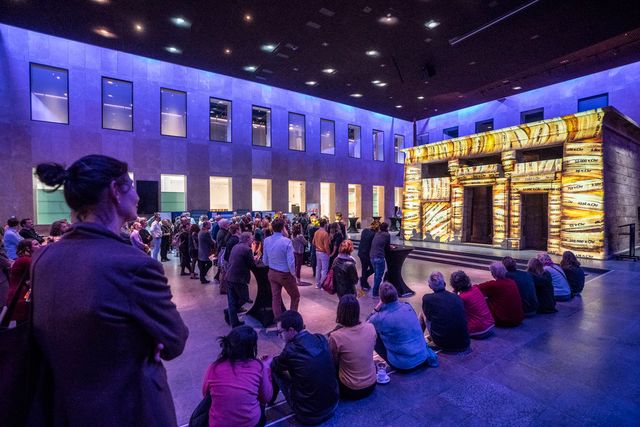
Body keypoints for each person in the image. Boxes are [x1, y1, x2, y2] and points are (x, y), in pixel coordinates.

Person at [31, 155, 188, 426]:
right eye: (132, 185)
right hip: (129, 409)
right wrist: (147, 338)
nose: (138, 196)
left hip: (64, 410)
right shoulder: (134, 265)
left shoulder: (43, 259)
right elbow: (175, 340)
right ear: (116, 191)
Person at [270, 310, 339, 425]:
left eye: (280, 332)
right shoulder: (320, 338)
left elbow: (275, 365)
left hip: (309, 414)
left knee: (275, 371)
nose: (279, 336)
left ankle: (270, 401)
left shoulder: (290, 350)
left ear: (291, 330)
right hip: (333, 404)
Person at [201, 325, 272, 427]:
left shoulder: (214, 367)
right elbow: (266, 397)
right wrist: (266, 368)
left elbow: (205, 394)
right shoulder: (258, 366)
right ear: (251, 348)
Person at [367, 282, 438, 370]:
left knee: (372, 333)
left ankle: (367, 364)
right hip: (422, 357)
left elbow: (366, 326)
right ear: (396, 294)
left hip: (403, 365)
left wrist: (377, 307)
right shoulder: (407, 306)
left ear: (382, 299)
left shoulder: (379, 318)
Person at [328, 295, 377, 400]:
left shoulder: (336, 336)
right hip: (372, 383)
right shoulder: (371, 327)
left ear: (340, 312)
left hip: (350, 389)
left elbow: (333, 361)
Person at [421, 271, 470, 353]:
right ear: (444, 283)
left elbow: (428, 318)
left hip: (444, 344)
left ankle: (419, 340)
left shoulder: (427, 298)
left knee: (422, 313)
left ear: (430, 286)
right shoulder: (457, 298)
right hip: (464, 342)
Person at [263, 218, 300, 320]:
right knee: (295, 296)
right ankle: (292, 322)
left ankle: (279, 323)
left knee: (276, 298)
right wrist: (293, 275)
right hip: (284, 274)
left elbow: (265, 260)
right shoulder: (287, 241)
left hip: (272, 273)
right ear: (283, 228)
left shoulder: (266, 240)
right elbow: (291, 262)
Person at [450, 270, 495, 339]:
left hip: (480, 331)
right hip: (491, 326)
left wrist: (454, 294)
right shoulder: (476, 289)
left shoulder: (461, 297)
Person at [477, 262, 524, 327]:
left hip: (504, 321)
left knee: (482, 300)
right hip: (518, 319)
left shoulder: (494, 285)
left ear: (493, 273)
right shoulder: (512, 282)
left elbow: (475, 289)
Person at [225, 232, 256, 327]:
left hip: (229, 276)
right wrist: (255, 260)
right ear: (247, 239)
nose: (252, 241)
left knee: (232, 300)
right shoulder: (247, 249)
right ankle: (229, 311)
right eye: (251, 239)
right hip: (239, 278)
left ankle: (233, 321)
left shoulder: (236, 246)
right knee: (244, 298)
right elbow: (252, 265)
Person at [5, 239, 39, 324]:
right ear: (27, 248)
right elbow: (41, 269)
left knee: (24, 324)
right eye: (36, 244)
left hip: (22, 293)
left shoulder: (23, 259)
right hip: (21, 295)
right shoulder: (25, 260)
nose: (39, 246)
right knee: (24, 324)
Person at [370, 222, 391, 298]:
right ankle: (375, 293)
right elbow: (387, 247)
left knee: (376, 274)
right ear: (386, 228)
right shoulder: (387, 235)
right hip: (379, 257)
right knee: (379, 276)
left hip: (372, 256)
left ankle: (376, 290)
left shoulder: (377, 233)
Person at [357, 221, 378, 291]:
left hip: (361, 252)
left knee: (364, 267)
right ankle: (363, 279)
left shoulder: (364, 230)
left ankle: (364, 282)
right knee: (373, 268)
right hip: (367, 253)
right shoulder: (374, 234)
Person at [312, 218, 330, 289]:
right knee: (324, 269)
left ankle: (317, 284)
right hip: (324, 253)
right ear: (325, 224)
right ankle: (323, 285)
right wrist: (329, 253)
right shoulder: (325, 233)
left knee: (318, 268)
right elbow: (326, 246)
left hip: (317, 252)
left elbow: (313, 242)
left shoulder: (316, 232)